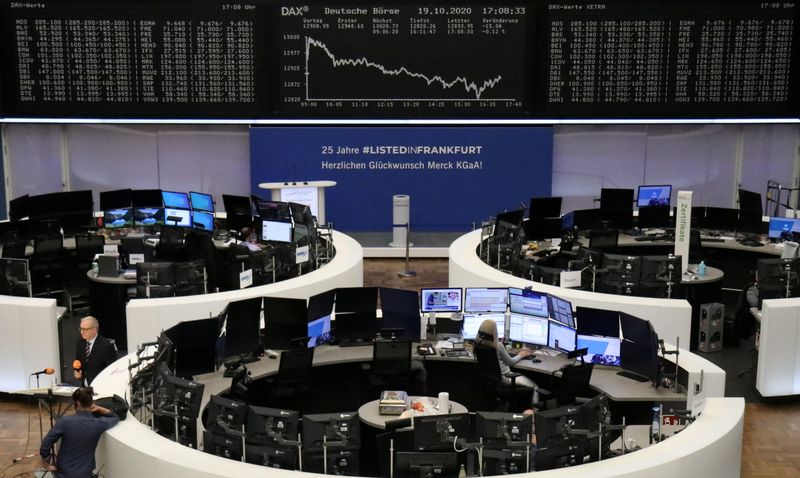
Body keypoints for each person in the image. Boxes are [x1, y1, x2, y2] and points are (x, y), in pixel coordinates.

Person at [40, 387, 119, 478]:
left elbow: (46, 443)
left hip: (63, 473)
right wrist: (99, 408)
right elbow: (115, 417)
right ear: (91, 403)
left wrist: (46, 463)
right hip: (84, 474)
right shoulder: (99, 423)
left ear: (77, 403)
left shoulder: (65, 421)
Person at [474, 319, 541, 405]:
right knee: (534, 386)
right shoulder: (498, 346)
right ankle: (534, 414)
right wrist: (522, 354)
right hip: (506, 378)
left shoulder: (477, 343)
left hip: (490, 379)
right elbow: (511, 362)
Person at [74, 316, 118, 386]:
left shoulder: (106, 346)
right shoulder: (81, 343)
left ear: (94, 330)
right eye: (81, 328)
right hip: (86, 387)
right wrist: (77, 371)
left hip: (101, 387)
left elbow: (112, 371)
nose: (81, 332)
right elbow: (78, 362)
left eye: (85, 329)